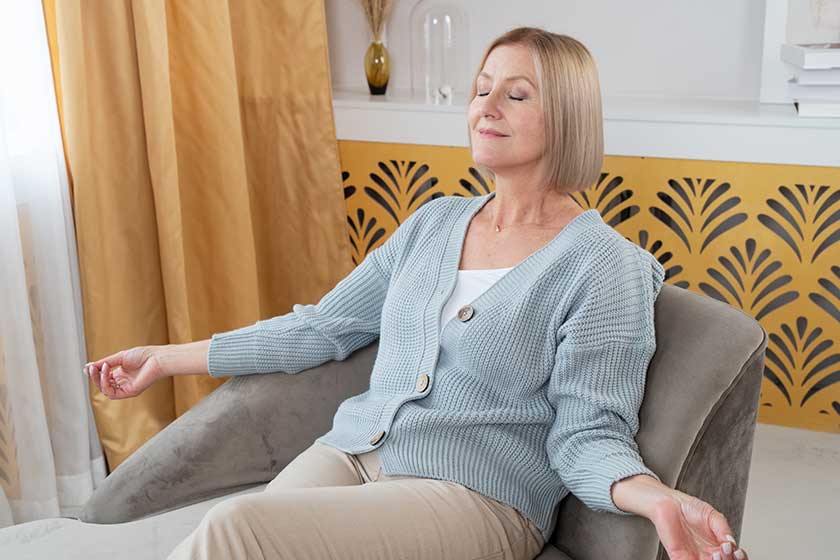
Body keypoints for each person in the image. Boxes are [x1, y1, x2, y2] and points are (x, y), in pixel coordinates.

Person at [84, 27, 751, 560]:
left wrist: (657, 497)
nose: (485, 107)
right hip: (352, 454)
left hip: (473, 497)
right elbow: (321, 328)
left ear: (567, 115)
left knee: (238, 531)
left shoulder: (606, 267)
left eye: (516, 95)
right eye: (481, 88)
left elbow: (589, 432)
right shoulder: (433, 222)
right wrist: (167, 359)